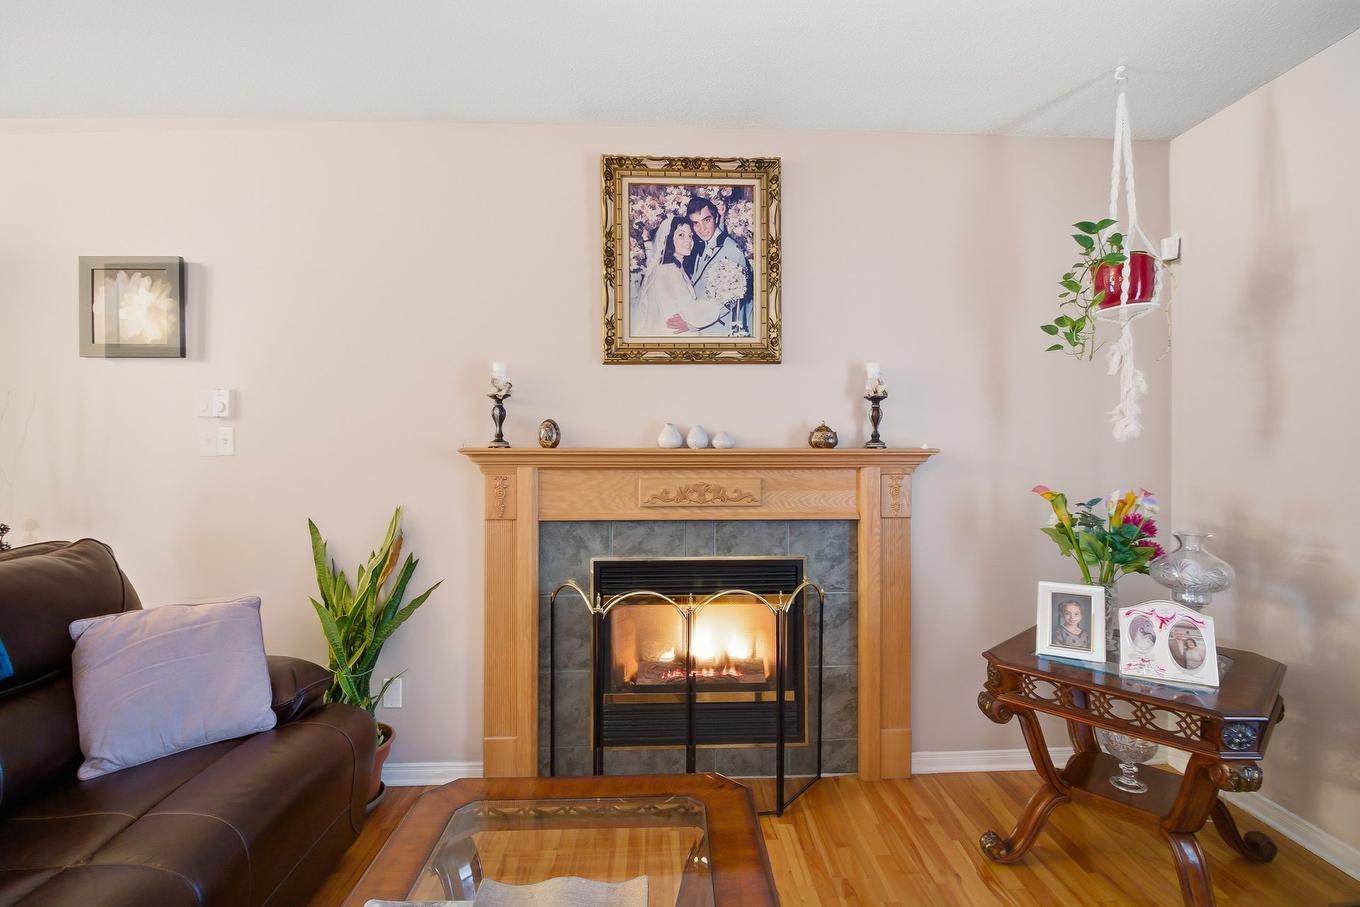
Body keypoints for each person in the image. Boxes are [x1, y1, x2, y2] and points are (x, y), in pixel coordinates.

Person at [665, 196, 754, 336]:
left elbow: (728, 301)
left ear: (716, 218)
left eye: (707, 220)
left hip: (721, 330)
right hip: (704, 327)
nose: (702, 229)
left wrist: (691, 324)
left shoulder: (732, 250)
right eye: (696, 223)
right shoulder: (698, 245)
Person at [632, 216, 727, 337]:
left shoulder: (666, 268)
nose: (688, 241)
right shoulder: (669, 271)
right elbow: (691, 312)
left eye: (690, 236)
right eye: (681, 235)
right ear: (669, 239)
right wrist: (720, 303)